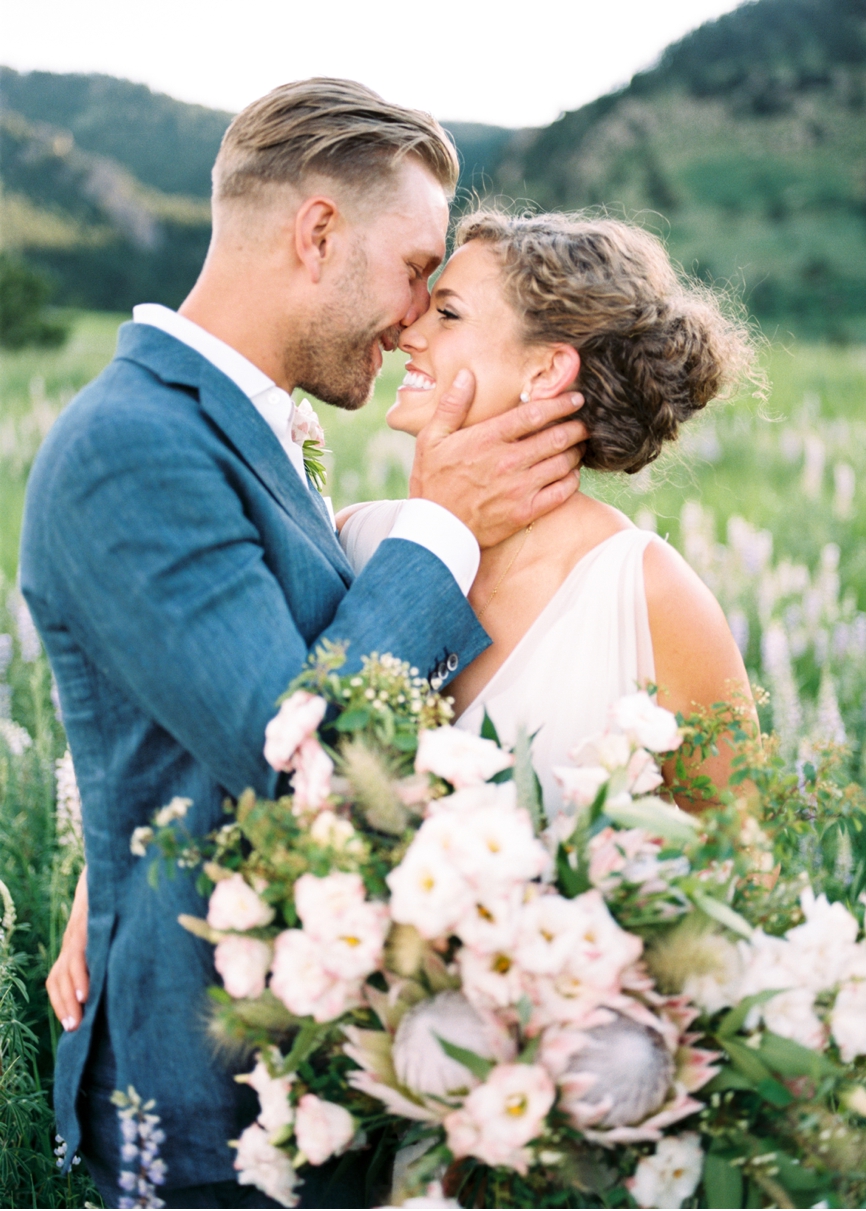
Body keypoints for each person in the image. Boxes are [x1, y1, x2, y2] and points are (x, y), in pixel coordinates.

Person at [26, 82, 587, 1209]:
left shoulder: (253, 427)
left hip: (324, 1071)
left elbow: (216, 714)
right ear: (318, 233)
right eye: (416, 266)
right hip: (205, 1108)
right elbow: (302, 758)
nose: (418, 312)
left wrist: (133, 833)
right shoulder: (129, 445)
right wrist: (444, 525)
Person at [339, 210, 758, 816]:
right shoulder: (355, 539)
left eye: (448, 313)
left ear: (546, 370)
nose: (409, 332)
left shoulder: (650, 596)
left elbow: (744, 867)